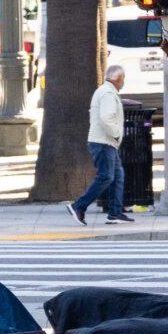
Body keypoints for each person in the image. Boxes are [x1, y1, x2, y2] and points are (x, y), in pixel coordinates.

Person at [67, 65, 134, 226]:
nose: (123, 82)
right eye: (123, 79)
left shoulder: (105, 91)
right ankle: (78, 206)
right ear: (118, 79)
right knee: (106, 176)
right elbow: (106, 118)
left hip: (106, 142)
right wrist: (116, 134)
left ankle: (115, 213)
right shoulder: (108, 93)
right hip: (104, 142)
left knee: (117, 176)